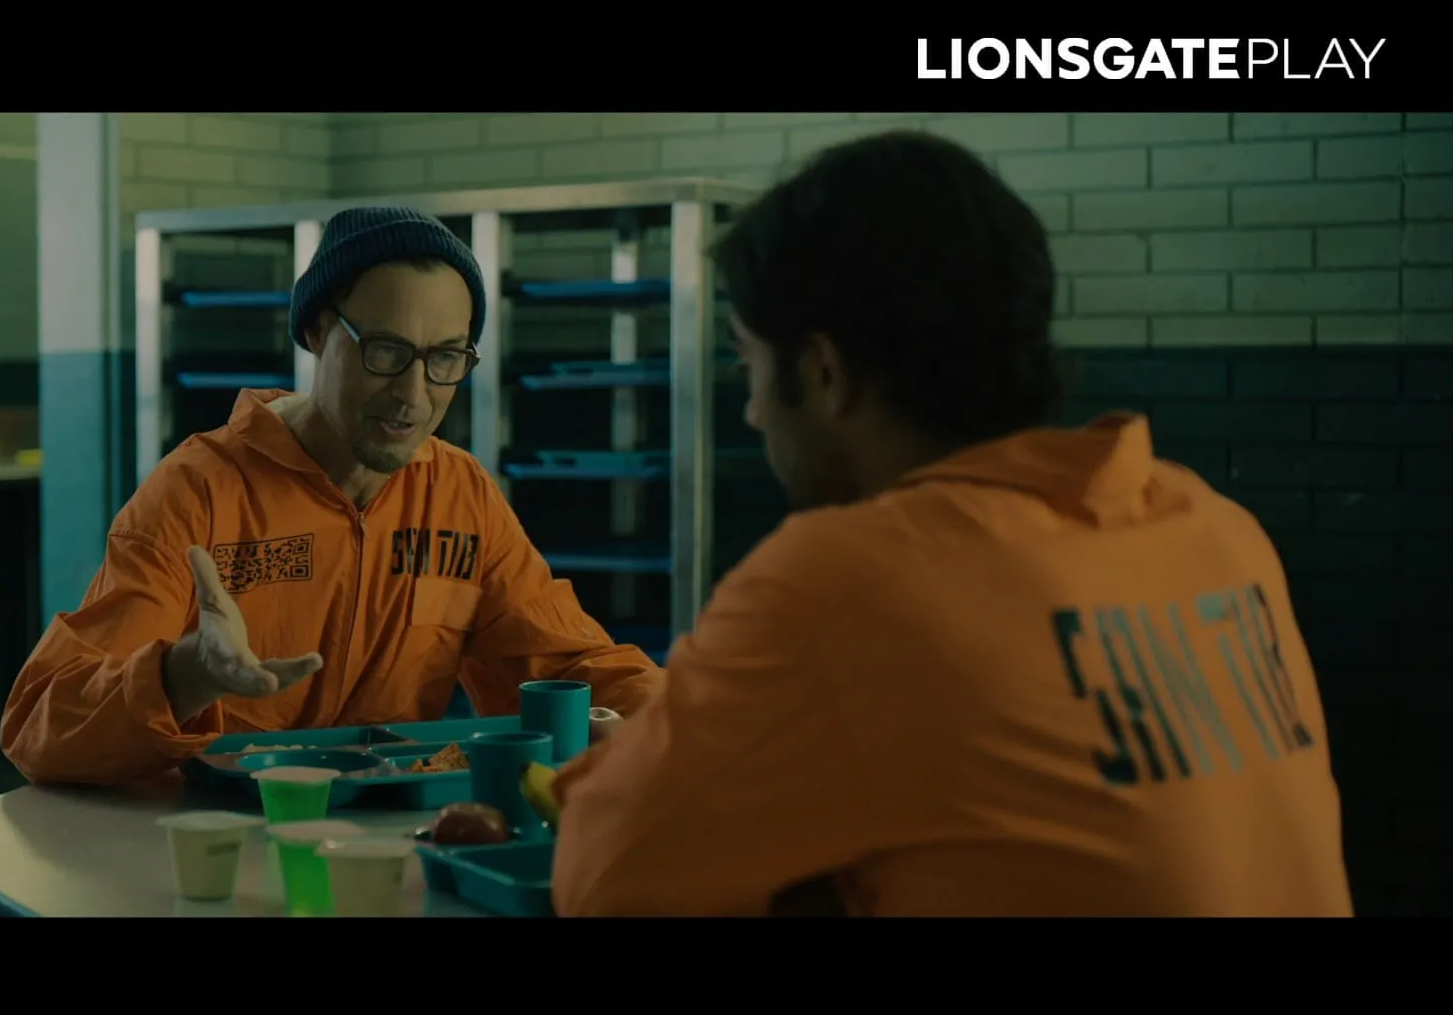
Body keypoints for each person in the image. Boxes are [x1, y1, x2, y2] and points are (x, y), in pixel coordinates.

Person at [547, 130, 1353, 918]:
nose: (754, 410)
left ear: (824, 374)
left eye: (749, 363)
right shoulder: (1211, 525)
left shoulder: (846, 582)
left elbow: (604, 876)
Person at [2, 206, 660, 787]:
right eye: (385, 351)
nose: (413, 395)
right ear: (318, 332)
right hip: (221, 843)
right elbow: (39, 728)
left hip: (392, 845)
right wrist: (185, 674)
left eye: (445, 358)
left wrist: (682, 714)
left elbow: (571, 663)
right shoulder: (199, 492)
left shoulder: (458, 494)